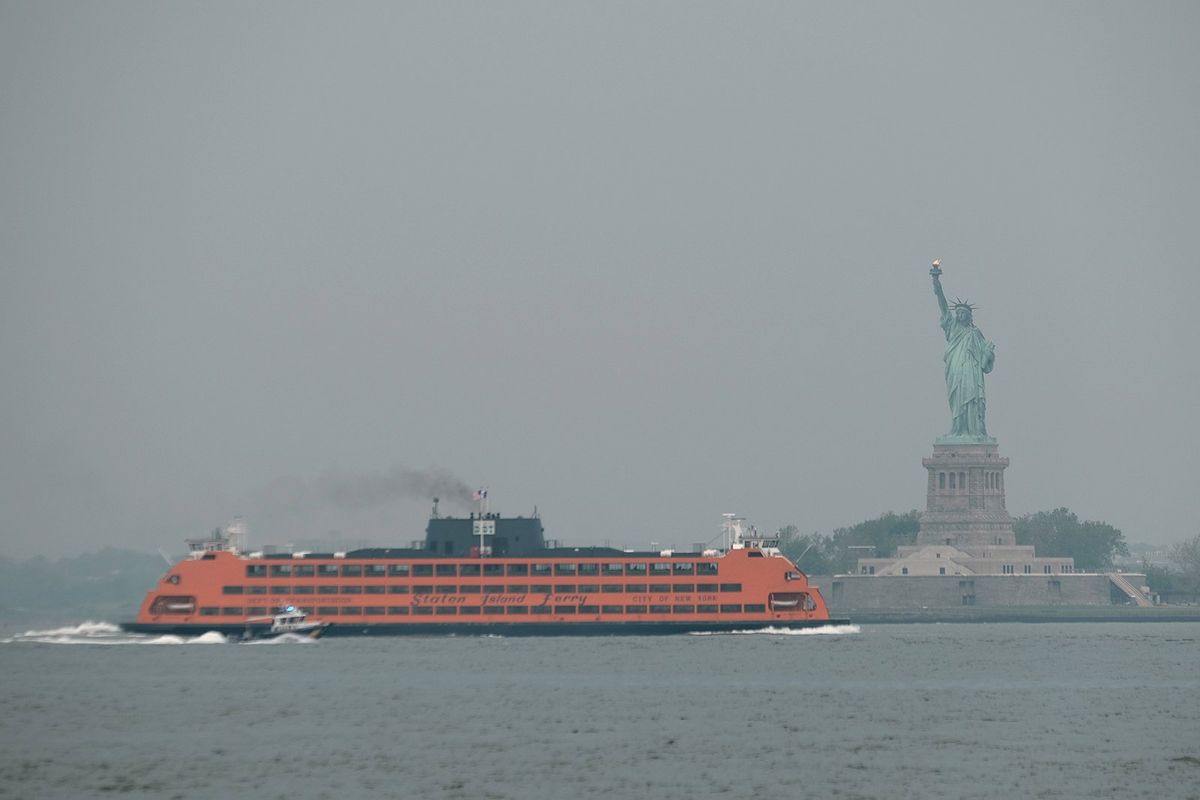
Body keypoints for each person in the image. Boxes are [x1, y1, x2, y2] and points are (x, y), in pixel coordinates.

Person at [931, 264, 995, 438]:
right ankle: (957, 428)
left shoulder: (975, 333)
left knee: (973, 397)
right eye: (957, 313)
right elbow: (943, 306)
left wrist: (989, 354)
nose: (959, 315)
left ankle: (976, 430)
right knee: (958, 397)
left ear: (969, 316)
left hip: (972, 370)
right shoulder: (951, 327)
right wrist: (936, 283)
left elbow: (985, 362)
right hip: (955, 368)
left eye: (963, 313)